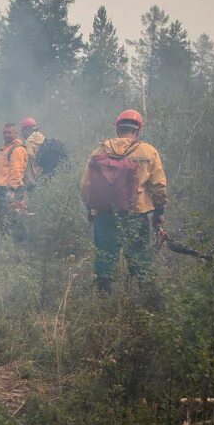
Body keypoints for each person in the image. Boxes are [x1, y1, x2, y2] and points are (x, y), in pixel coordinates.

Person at [81, 109, 168, 294]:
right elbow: (159, 186)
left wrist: (90, 207)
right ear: (138, 129)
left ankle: (103, 299)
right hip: (136, 213)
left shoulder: (100, 150)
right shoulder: (148, 151)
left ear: (118, 128)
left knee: (105, 255)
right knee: (139, 255)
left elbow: (85, 185)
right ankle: (144, 299)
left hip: (105, 213)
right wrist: (159, 212)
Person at [0, 123, 28, 217]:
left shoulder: (17, 149)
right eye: (4, 133)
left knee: (12, 219)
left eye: (9, 132)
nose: (6, 135)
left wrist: (12, 190)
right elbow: (3, 170)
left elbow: (17, 170)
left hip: (12, 189)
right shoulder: (5, 149)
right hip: (4, 188)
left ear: (16, 133)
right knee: (4, 218)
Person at [20, 117, 44, 185]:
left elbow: (28, 164)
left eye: (22, 130)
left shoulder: (28, 144)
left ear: (27, 129)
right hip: (42, 176)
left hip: (33, 180)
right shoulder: (43, 139)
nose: (22, 133)